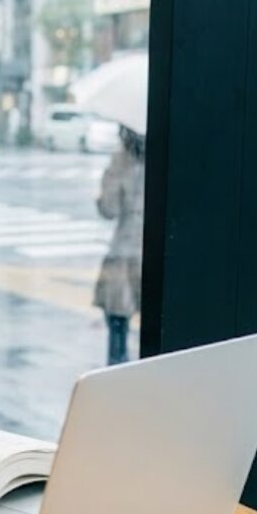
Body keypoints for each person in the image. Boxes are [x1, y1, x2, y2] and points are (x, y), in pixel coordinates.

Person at [92, 125, 145, 365]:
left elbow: (109, 208)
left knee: (117, 322)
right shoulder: (168, 153)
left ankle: (118, 373)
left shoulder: (122, 160)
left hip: (126, 251)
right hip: (156, 251)